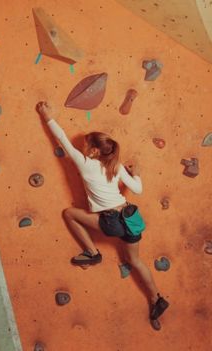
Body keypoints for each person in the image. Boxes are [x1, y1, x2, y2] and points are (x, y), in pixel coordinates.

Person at [35, 101, 169, 326]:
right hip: (131, 218)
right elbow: (138, 189)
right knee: (135, 261)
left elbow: (62, 139)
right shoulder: (115, 166)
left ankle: (91, 252)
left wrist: (46, 115)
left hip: (111, 221)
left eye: (86, 145)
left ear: (94, 151)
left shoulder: (86, 163)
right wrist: (137, 174)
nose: (82, 148)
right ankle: (157, 298)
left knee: (69, 213)